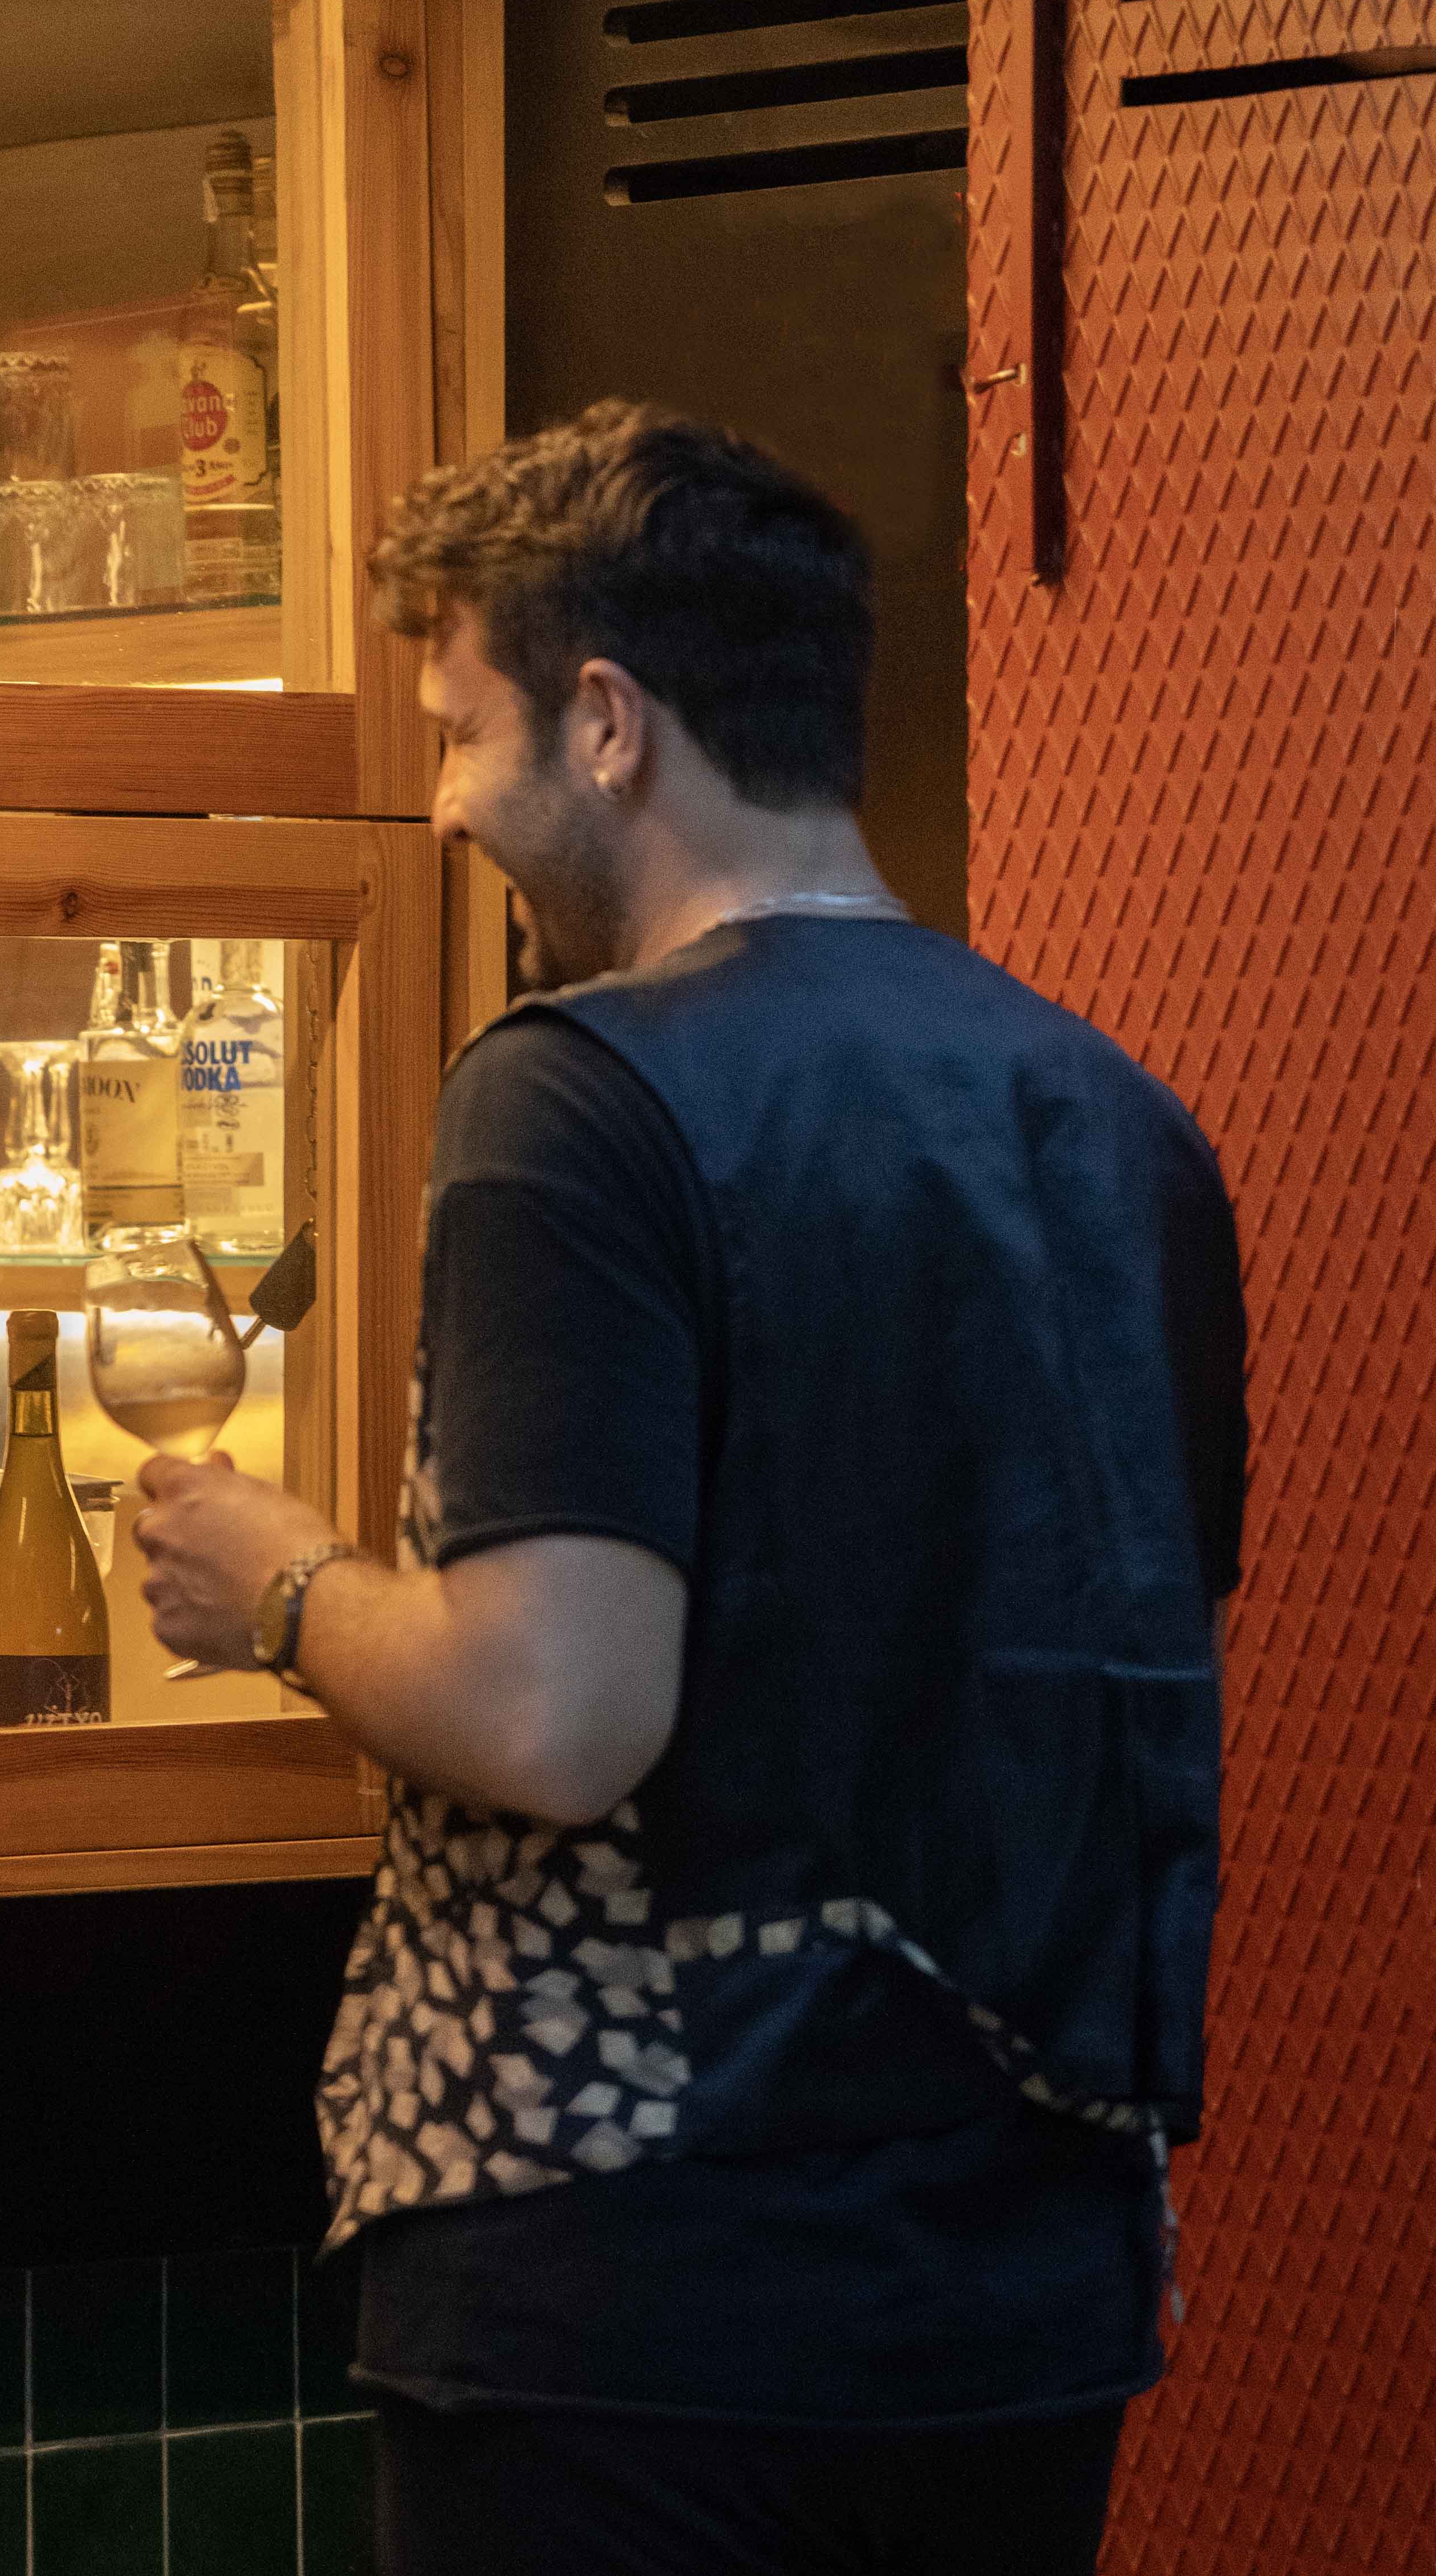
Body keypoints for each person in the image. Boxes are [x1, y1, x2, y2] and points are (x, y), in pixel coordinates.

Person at [132, 405, 1243, 2576]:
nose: (447, 806)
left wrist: (272, 1582)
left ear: (608, 723)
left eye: (464, 734)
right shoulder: (1119, 1120)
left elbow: (554, 1713)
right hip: (1022, 2282)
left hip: (635, 2278)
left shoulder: (576, 1093)